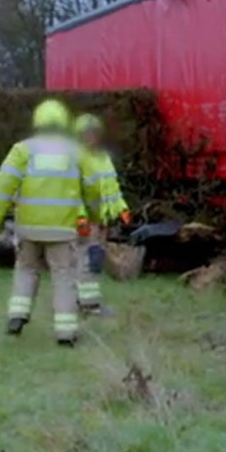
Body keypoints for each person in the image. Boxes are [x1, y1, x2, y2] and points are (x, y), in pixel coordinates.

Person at [0, 99, 102, 346]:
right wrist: (95, 216)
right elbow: (93, 189)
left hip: (28, 228)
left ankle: (17, 314)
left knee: (25, 269)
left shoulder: (22, 150)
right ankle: (65, 332)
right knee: (63, 276)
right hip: (63, 230)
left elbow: (2, 188)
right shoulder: (77, 152)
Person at [73, 113, 130, 315]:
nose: (91, 137)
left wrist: (121, 210)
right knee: (86, 259)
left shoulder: (102, 158)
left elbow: (111, 189)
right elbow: (72, 192)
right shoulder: (75, 158)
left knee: (92, 259)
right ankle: (88, 305)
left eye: (94, 133)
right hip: (82, 221)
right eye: (87, 133)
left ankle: (83, 302)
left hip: (99, 221)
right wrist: (80, 218)